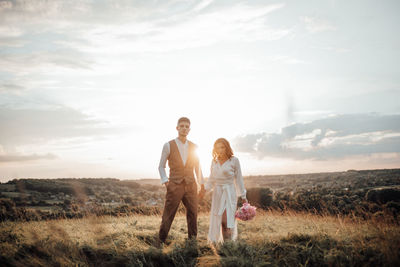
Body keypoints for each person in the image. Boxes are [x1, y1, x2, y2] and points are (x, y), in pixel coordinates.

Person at [158, 117, 204, 244]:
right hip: (174, 184)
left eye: (187, 126)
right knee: (168, 214)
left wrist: (202, 184)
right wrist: (166, 182)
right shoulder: (168, 145)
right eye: (182, 126)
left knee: (193, 214)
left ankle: (192, 243)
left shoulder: (194, 147)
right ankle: (160, 242)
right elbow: (161, 166)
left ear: (189, 129)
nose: (184, 128)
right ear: (177, 128)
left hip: (191, 185)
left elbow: (198, 168)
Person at [202, 138, 247, 243]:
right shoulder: (214, 162)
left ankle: (228, 243)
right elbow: (211, 179)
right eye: (217, 148)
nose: (220, 150)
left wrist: (243, 197)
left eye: (222, 147)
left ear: (227, 147)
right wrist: (203, 190)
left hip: (230, 192)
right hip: (217, 193)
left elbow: (239, 179)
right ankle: (222, 244)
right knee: (219, 220)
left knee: (227, 220)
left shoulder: (234, 160)